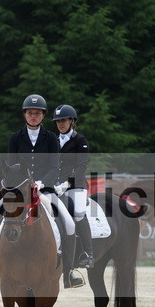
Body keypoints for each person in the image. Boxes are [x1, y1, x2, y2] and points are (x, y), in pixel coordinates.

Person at [0, 94, 60, 287]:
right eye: (30, 113)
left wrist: (40, 183)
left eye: (37, 113)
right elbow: (11, 166)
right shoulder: (15, 138)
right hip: (17, 191)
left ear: (43, 116)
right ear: (24, 115)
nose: (33, 116)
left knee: (68, 221)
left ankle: (70, 268)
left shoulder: (51, 139)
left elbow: (55, 168)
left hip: (43, 189)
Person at [52, 104, 93, 289]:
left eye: (64, 120)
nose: (61, 123)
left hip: (74, 185)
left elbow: (81, 166)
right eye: (58, 121)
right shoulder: (52, 141)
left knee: (77, 212)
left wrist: (67, 183)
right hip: (54, 186)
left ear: (72, 121)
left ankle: (88, 254)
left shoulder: (80, 141)